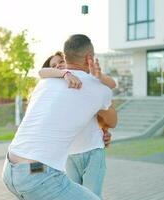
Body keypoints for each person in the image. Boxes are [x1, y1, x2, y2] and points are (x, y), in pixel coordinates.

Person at [2, 34, 117, 200]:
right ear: (89, 59)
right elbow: (112, 115)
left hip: (12, 169)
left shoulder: (44, 83)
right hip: (40, 177)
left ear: (65, 57)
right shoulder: (97, 88)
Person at [38, 51, 117, 198]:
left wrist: (104, 130)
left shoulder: (83, 83)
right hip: (69, 156)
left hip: (92, 151)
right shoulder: (54, 91)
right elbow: (41, 72)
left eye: (61, 62)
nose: (58, 66)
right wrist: (64, 74)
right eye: (54, 65)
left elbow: (111, 86)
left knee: (92, 196)